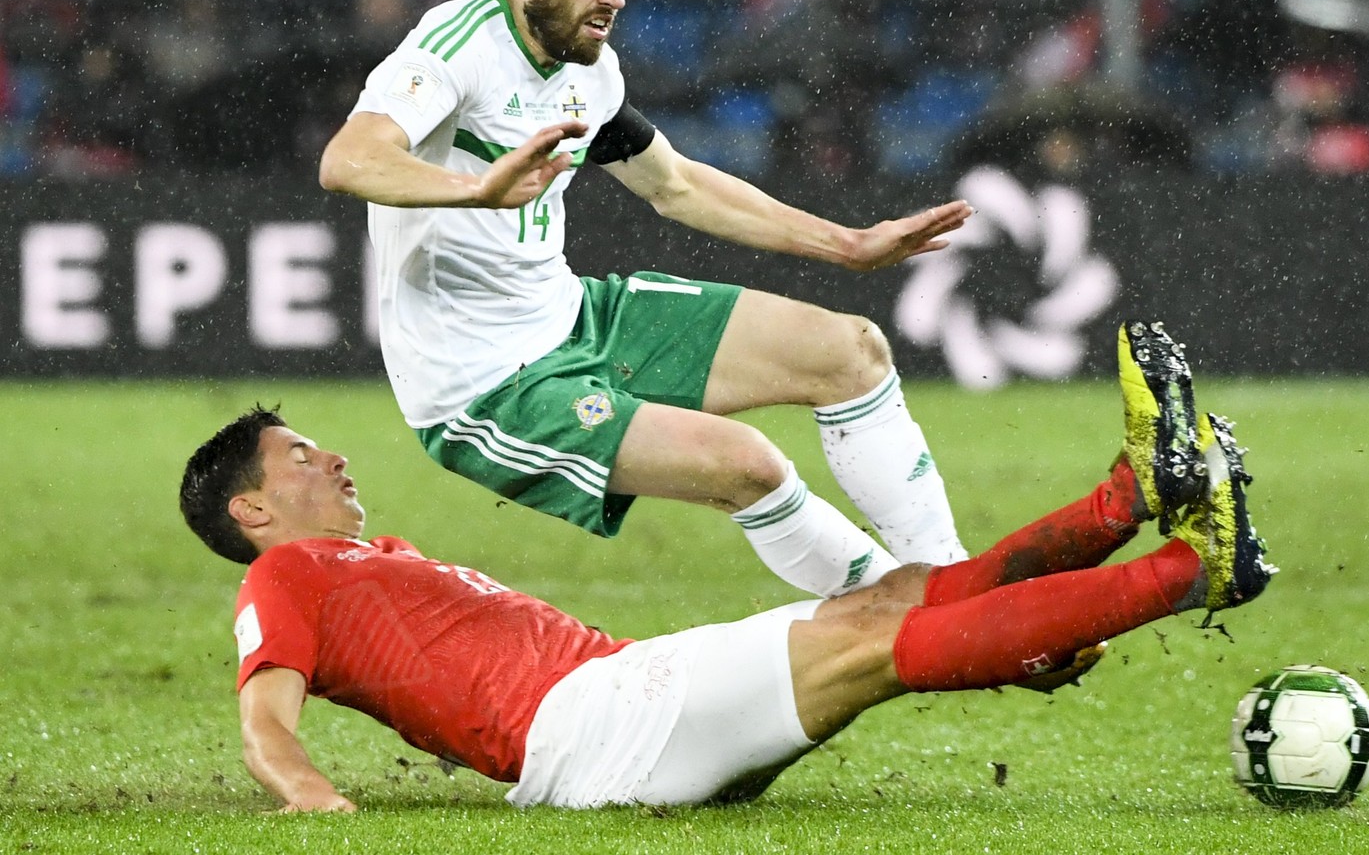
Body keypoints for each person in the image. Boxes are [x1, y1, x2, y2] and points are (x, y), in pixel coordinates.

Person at [178, 322, 1274, 811]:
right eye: (301, 455)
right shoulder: (282, 579)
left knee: (886, 603)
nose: (334, 456)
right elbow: (264, 721)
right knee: (880, 638)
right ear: (254, 507)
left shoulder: (369, 557)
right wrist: (314, 805)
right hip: (591, 729)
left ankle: (1140, 492)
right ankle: (1194, 566)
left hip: (608, 710)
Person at [316, 0, 975, 600]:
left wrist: (846, 245)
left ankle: (951, 580)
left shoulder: (588, 69)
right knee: (746, 465)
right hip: (486, 387)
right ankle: (914, 619)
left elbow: (676, 185)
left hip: (572, 317)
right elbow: (349, 160)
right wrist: (478, 188)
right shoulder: (455, 46)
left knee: (850, 351)